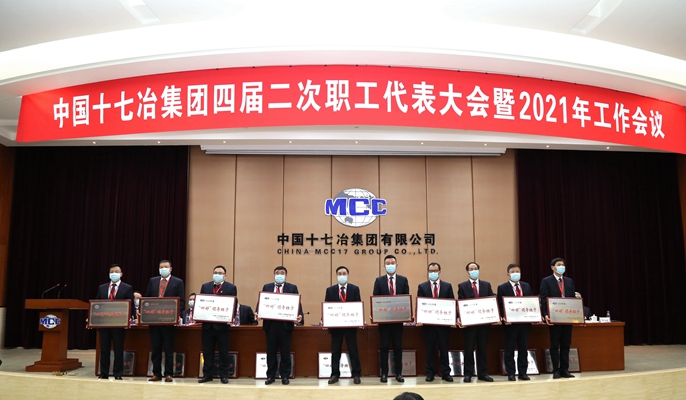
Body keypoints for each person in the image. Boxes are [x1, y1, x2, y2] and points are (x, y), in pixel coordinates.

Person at [260, 266, 303, 385]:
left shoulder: (292, 288)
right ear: (274, 275)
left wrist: (299, 315)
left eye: (282, 273)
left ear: (286, 275)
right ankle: (270, 376)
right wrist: (258, 312)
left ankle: (285, 376)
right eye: (277, 273)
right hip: (270, 325)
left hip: (285, 325)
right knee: (271, 352)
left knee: (285, 352)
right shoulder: (267, 287)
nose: (279, 275)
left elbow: (297, 304)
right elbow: (262, 303)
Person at [145, 259, 185, 382]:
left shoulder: (178, 282)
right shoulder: (153, 281)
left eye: (165, 267)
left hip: (168, 321)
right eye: (161, 267)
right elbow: (147, 300)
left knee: (168, 349)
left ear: (170, 269)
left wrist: (176, 315)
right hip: (154, 321)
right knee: (155, 349)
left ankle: (168, 373)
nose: (163, 269)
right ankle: (156, 373)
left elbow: (181, 302)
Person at [373, 254, 410, 383]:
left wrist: (407, 314)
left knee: (397, 347)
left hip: (398, 321)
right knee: (384, 347)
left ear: (397, 265)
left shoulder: (403, 280)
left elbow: (406, 299)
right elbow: (376, 300)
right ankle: (384, 373)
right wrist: (375, 313)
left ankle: (398, 373)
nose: (390, 265)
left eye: (392, 263)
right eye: (388, 263)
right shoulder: (379, 281)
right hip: (384, 321)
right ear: (384, 266)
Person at [95, 263, 134, 380]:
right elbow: (96, 304)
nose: (114, 274)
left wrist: (130, 318)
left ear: (121, 274)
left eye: (116, 272)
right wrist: (92, 317)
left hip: (119, 324)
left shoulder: (127, 288)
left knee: (118, 349)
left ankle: (118, 373)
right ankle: (104, 373)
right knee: (104, 349)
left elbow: (131, 306)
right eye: (112, 272)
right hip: (104, 324)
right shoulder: (102, 288)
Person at [198, 266, 237, 384]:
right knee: (207, 351)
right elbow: (201, 303)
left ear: (225, 275)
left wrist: (231, 316)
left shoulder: (231, 287)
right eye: (215, 272)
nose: (217, 275)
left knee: (223, 352)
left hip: (223, 326)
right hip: (208, 325)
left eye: (220, 273)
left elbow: (234, 303)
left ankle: (223, 375)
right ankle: (207, 375)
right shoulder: (205, 286)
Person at [417, 262, 455, 382]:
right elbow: (420, 304)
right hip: (429, 325)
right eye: (431, 271)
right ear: (428, 272)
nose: (433, 273)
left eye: (435, 271)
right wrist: (419, 318)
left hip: (444, 325)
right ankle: (430, 373)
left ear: (439, 271)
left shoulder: (447, 286)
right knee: (430, 349)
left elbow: (452, 303)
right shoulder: (422, 287)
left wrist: (453, 318)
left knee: (444, 349)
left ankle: (446, 373)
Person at [457, 261, 495, 383]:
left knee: (482, 349)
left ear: (479, 270)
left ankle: (482, 373)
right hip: (470, 324)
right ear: (467, 272)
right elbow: (461, 303)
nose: (474, 271)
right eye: (471, 269)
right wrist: (460, 318)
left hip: (484, 324)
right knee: (469, 349)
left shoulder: (486, 285)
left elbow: (491, 301)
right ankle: (468, 373)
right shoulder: (462, 286)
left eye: (475, 268)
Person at [324, 266, 362, 384]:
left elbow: (358, 305)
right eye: (339, 274)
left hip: (350, 327)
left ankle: (356, 374)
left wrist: (360, 319)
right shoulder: (330, 290)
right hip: (336, 327)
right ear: (336, 275)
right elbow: (327, 307)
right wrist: (325, 319)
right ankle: (335, 374)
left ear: (348, 275)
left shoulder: (355, 289)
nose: (342, 276)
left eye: (344, 273)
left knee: (353, 350)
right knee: (335, 351)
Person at [497, 263, 534, 381]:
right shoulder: (502, 287)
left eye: (517, 272)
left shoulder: (526, 286)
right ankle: (511, 373)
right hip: (510, 325)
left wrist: (534, 316)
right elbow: (500, 305)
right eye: (513, 272)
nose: (515, 274)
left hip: (524, 324)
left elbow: (531, 303)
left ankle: (523, 373)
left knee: (523, 349)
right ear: (508, 274)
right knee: (509, 349)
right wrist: (503, 317)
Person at [540, 257, 576, 379]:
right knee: (555, 344)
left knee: (566, 344)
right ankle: (556, 370)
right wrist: (545, 314)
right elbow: (544, 298)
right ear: (552, 267)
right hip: (554, 317)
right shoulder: (546, 281)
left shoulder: (569, 281)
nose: (561, 267)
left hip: (567, 317)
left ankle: (565, 369)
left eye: (563, 265)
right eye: (559, 264)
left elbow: (572, 299)